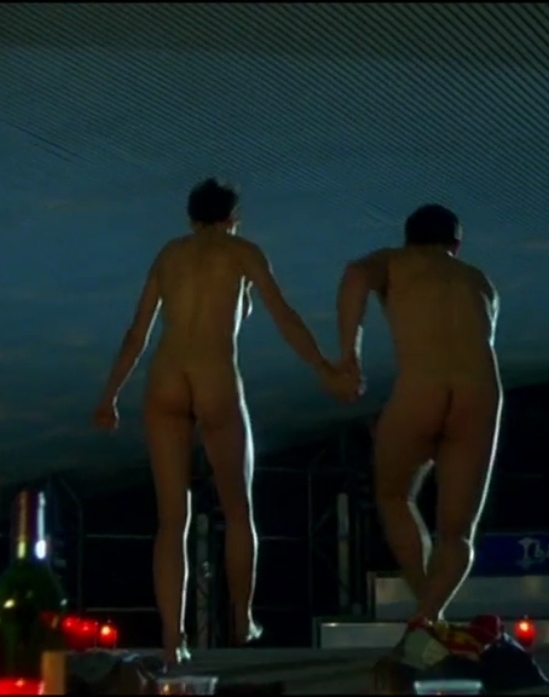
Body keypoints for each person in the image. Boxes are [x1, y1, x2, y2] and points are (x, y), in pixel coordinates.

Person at [91, 178, 357, 666]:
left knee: (171, 520)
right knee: (237, 510)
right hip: (215, 379)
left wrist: (110, 397)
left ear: (190, 218)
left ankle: (172, 638)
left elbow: (136, 334)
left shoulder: (170, 254)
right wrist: (324, 369)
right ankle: (242, 617)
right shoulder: (242, 252)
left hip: (166, 378)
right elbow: (284, 316)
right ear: (235, 218)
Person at [335, 203, 502, 625]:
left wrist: (350, 356)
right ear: (457, 245)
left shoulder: (395, 261)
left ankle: (428, 612)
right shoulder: (480, 281)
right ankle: (430, 615)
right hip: (481, 393)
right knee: (458, 531)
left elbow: (355, 275)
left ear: (407, 239)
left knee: (394, 496)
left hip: (422, 387)